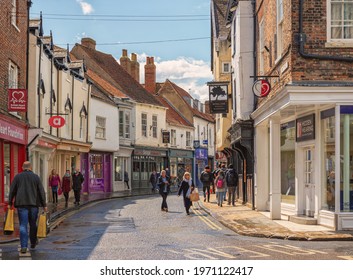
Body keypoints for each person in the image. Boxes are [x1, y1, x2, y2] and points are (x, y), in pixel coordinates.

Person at [8, 161, 47, 254]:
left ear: (22, 167)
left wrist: (10, 202)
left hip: (22, 205)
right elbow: (41, 191)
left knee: (23, 225)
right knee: (33, 224)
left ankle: (24, 246)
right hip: (33, 205)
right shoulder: (36, 177)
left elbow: (12, 190)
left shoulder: (18, 177)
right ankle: (33, 242)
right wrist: (44, 205)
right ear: (31, 167)